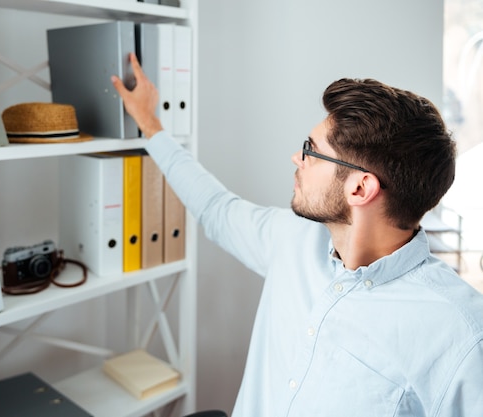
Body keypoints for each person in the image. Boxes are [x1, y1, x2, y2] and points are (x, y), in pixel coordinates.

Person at [111, 53, 483, 416]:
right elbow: (215, 208)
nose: (296, 158)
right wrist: (149, 123)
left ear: (359, 189)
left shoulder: (458, 333)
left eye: (312, 150)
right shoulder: (292, 238)